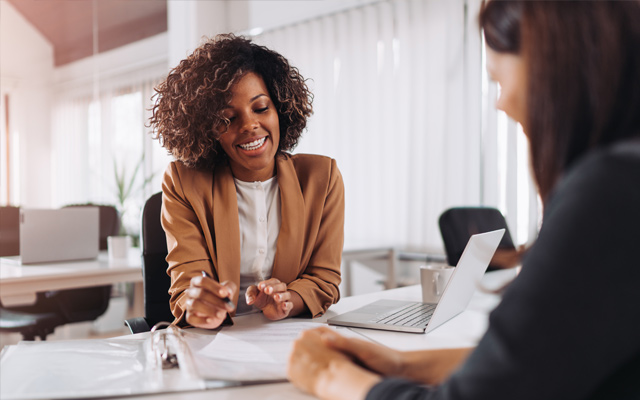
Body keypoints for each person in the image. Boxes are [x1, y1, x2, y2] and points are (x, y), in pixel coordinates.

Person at [287, 1, 640, 399]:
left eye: (498, 80)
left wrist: (329, 377)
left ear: (554, 67)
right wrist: (401, 365)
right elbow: (537, 363)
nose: (500, 103)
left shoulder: (611, 190)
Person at [149, 34, 344, 329]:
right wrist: (199, 304)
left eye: (261, 108)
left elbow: (324, 279)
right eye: (227, 119)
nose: (250, 126)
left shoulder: (322, 177)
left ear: (280, 108)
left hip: (288, 337)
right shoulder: (183, 182)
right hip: (215, 343)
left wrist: (288, 301)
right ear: (208, 130)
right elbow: (187, 284)